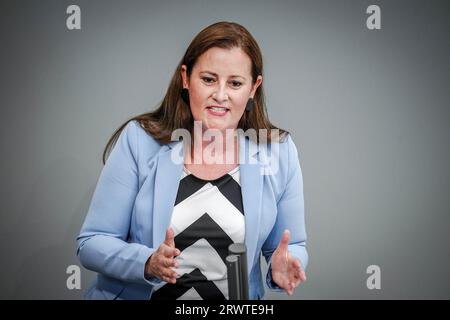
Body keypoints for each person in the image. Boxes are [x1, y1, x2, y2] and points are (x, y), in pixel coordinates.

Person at [77, 21, 308, 300]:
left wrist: (281, 267)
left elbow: (290, 245)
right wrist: (147, 262)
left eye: (235, 83)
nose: (220, 95)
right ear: (186, 78)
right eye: (209, 79)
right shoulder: (139, 140)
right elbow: (92, 243)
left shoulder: (279, 152)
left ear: (253, 88)